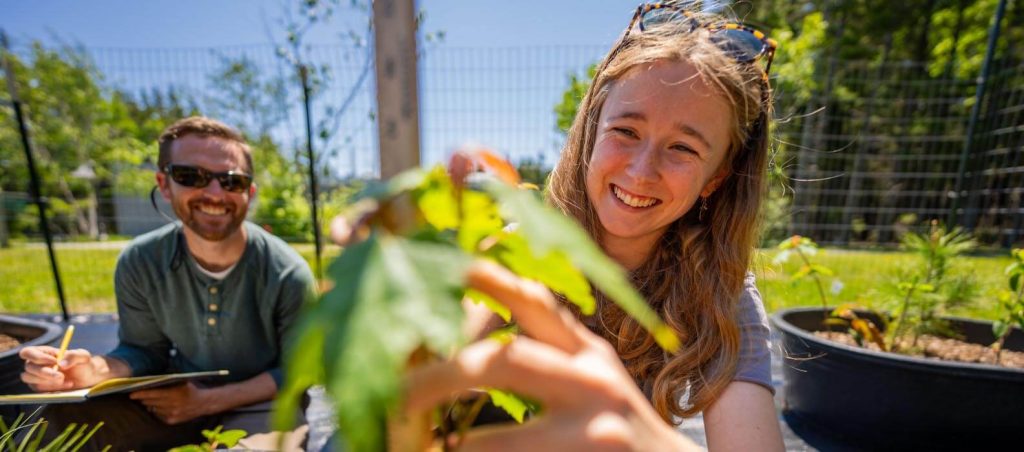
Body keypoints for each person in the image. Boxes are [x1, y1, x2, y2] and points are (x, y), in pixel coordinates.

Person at [405, 3, 786, 450]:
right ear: (592, 129)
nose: (642, 172)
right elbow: (418, 402)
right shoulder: (523, 252)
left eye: (682, 147)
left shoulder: (725, 292)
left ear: (717, 178)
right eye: (625, 131)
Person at [18, 116, 316, 450]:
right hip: (174, 399)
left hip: (264, 406)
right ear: (164, 184)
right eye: (192, 176)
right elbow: (144, 351)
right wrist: (94, 372)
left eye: (232, 181)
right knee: (46, 424)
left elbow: (301, 372)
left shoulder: (287, 273)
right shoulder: (139, 262)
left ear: (250, 192)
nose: (215, 193)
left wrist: (206, 401)